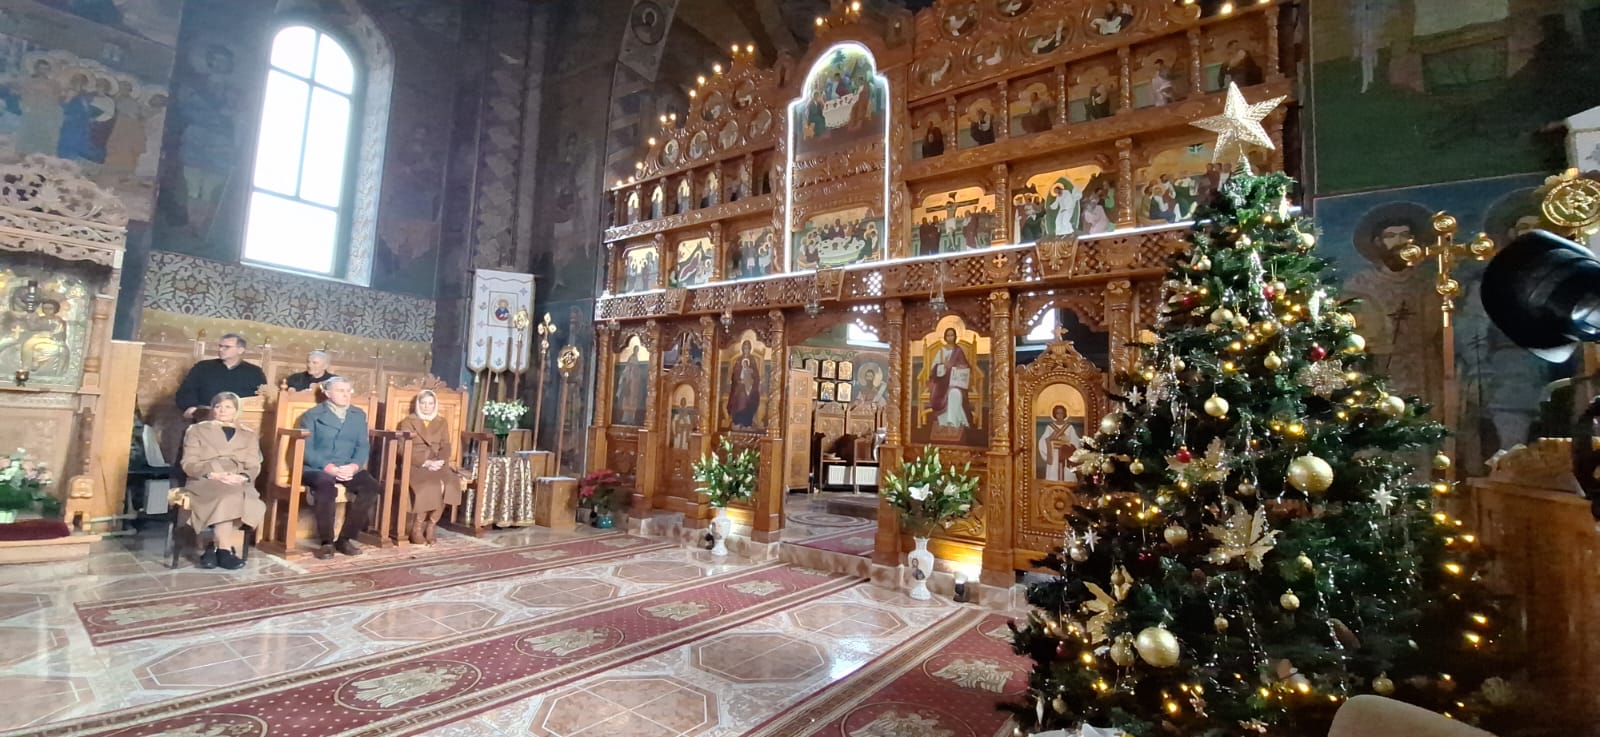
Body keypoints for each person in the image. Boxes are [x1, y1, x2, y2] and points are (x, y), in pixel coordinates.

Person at [298, 377, 382, 559]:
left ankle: (345, 539)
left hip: (347, 466)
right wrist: (328, 468)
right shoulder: (312, 415)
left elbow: (362, 446)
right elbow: (306, 449)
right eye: (340, 390)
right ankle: (327, 542)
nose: (346, 395)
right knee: (326, 486)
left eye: (348, 391)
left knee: (371, 486)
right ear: (327, 394)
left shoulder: (358, 415)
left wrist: (353, 466)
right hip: (318, 468)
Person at [179, 392, 264, 570]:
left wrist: (243, 477)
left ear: (236, 410)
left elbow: (253, 465)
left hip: (237, 480)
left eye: (228, 407)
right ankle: (225, 550)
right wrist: (212, 474)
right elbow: (188, 463)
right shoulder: (197, 430)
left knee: (241, 497)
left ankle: (212, 548)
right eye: (218, 406)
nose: (222, 410)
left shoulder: (248, 434)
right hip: (205, 480)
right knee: (229, 497)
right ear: (212, 409)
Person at [397, 390, 464, 545]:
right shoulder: (408, 422)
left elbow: (446, 445)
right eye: (423, 403)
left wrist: (440, 461)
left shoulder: (441, 421)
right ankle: (417, 527)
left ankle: (432, 525)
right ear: (418, 404)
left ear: (435, 405)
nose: (426, 407)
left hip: (438, 462)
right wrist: (425, 462)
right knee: (431, 485)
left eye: (430, 403)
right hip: (416, 463)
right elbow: (402, 448)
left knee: (450, 483)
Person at [175, 333, 268, 421]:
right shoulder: (203, 367)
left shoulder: (254, 372)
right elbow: (186, 391)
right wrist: (191, 408)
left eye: (226, 347)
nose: (220, 349)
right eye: (220, 346)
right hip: (206, 417)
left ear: (240, 350)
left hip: (241, 419)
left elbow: (261, 398)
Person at [929, 328, 973, 432]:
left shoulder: (958, 351)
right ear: (945, 337)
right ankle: (944, 422)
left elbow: (966, 367)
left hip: (956, 383)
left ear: (955, 336)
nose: (950, 338)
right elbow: (933, 369)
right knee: (942, 395)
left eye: (952, 335)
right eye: (948, 335)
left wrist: (958, 367)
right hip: (942, 384)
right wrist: (943, 366)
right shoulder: (941, 351)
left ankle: (954, 422)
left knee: (955, 393)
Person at [1038, 405, 1080, 482]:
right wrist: (1050, 438)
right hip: (1054, 454)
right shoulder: (1050, 427)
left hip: (1066, 455)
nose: (1060, 415)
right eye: (1057, 413)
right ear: (1054, 415)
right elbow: (1043, 441)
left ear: (1065, 414)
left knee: (1067, 474)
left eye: (1061, 413)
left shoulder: (1069, 427)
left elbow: (1076, 442)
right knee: (1053, 474)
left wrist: (1067, 442)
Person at [727, 340, 761, 427]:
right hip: (739, 384)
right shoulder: (739, 360)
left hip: (750, 385)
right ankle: (737, 421)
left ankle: (747, 422)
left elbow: (756, 375)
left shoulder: (752, 360)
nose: (746, 350)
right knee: (739, 396)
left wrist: (751, 376)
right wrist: (739, 379)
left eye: (748, 348)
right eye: (745, 348)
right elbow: (735, 373)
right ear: (742, 349)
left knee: (749, 397)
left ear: (750, 349)